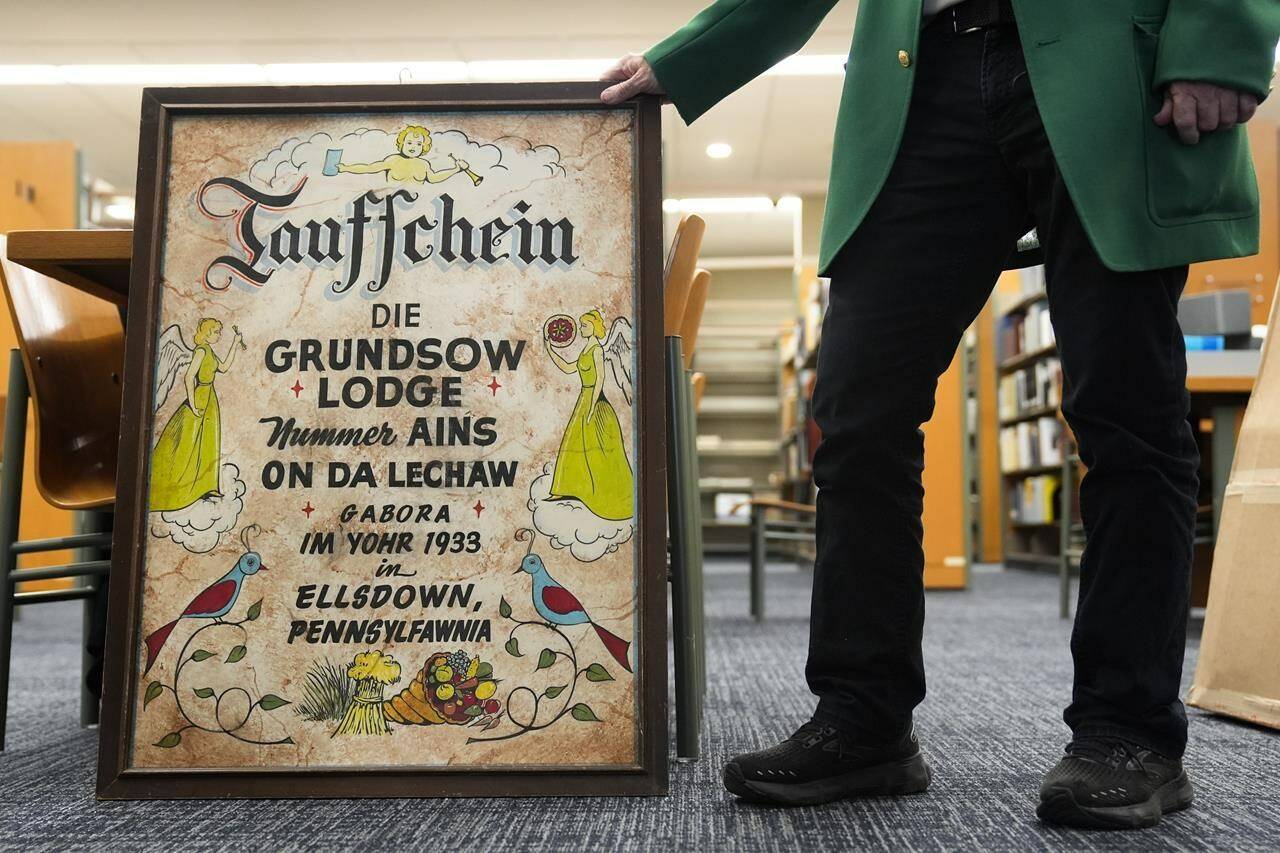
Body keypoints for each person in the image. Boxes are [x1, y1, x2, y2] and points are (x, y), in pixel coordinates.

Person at [601, 0, 1280, 829]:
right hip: (922, 71)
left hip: (1114, 60)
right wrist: (690, 58)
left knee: (1127, 412)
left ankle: (1127, 730)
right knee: (856, 411)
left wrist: (1223, 37)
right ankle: (863, 716)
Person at [543, 309, 635, 521]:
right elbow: (568, 368)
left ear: (594, 327)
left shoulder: (597, 350)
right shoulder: (586, 349)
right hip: (584, 397)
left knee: (597, 448)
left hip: (594, 399)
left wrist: (593, 405)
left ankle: (600, 491)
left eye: (585, 325)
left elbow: (600, 377)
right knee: (574, 444)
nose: (581, 328)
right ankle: (565, 488)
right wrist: (549, 349)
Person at [150, 318, 241, 511]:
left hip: (210, 398)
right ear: (207, 332)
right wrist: (192, 402)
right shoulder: (201, 351)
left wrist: (234, 343)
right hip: (200, 397)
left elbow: (223, 368)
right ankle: (178, 487)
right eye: (216, 332)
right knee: (188, 443)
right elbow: (189, 375)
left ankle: (206, 486)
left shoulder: (210, 351)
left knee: (208, 441)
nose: (218, 335)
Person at [338, 125, 471, 184]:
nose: (413, 147)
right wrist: (345, 168)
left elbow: (434, 178)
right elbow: (370, 168)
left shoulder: (423, 164)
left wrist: (456, 170)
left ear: (424, 147)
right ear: (401, 144)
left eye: (418, 144)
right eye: (409, 142)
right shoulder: (393, 160)